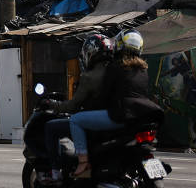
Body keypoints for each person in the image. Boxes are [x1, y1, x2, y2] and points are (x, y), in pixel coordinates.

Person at [68, 29, 162, 178]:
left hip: (120, 116)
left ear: (119, 45)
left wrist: (88, 108)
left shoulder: (115, 67)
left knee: (75, 120)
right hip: (141, 117)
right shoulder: (143, 70)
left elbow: (104, 97)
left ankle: (83, 162)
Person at [40, 33, 114, 185]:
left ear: (91, 53)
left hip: (94, 123)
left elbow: (73, 105)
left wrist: (52, 104)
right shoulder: (116, 72)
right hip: (114, 120)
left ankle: (55, 173)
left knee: (51, 127)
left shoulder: (89, 77)